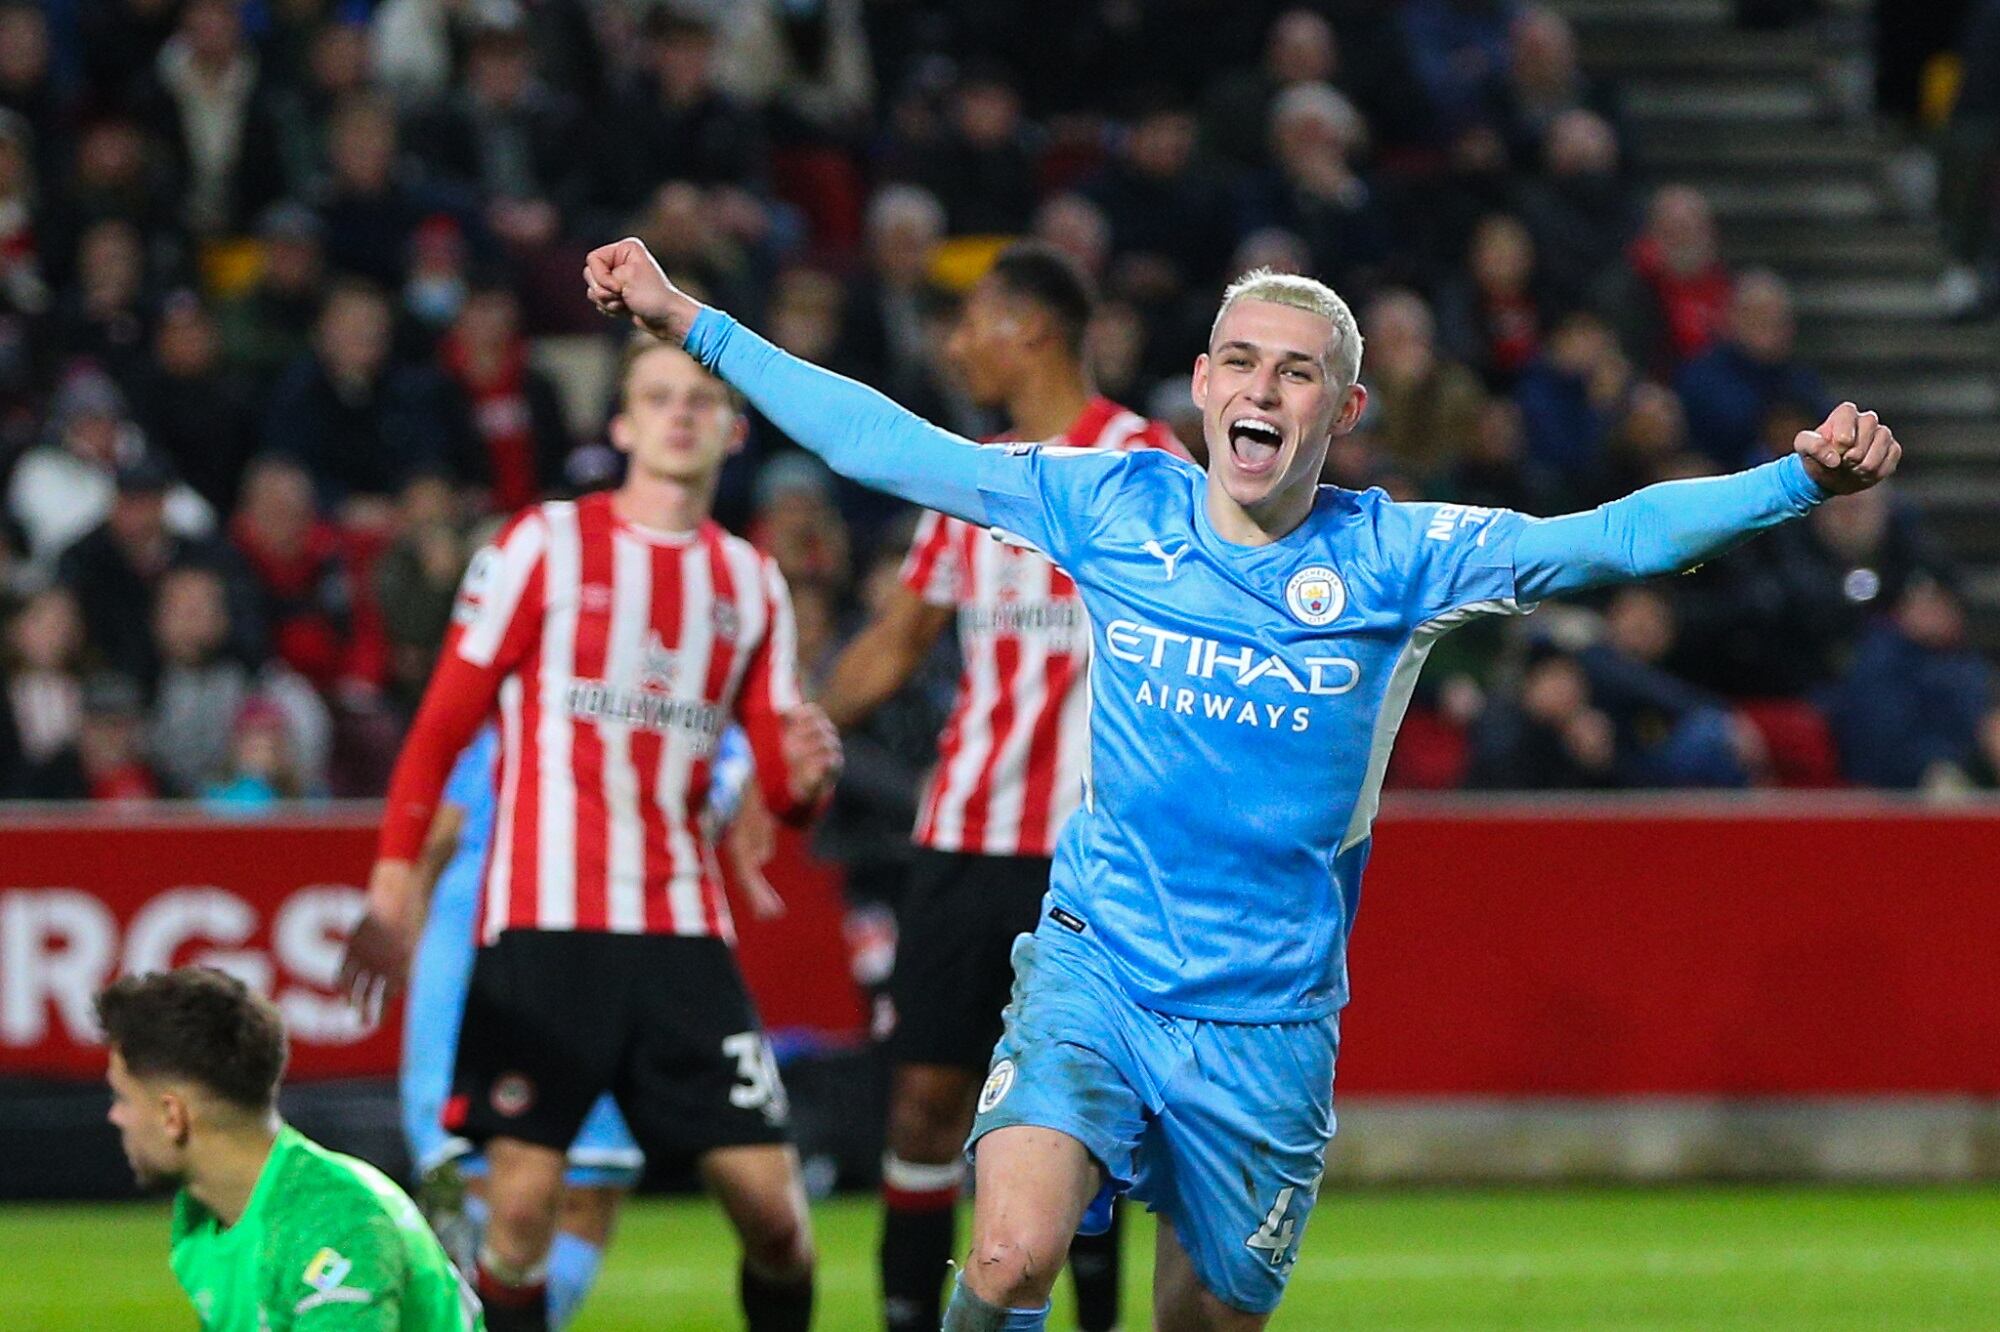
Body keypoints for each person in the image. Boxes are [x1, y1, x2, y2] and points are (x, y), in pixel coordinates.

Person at [583, 236, 1904, 1331]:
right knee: (1007, 1259)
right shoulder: (1116, 506)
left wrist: (1795, 481)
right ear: (1205, 385)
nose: (1263, 386)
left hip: (1268, 1025)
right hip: (1098, 971)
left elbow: (1615, 538)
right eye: (1241, 360)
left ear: (1342, 409)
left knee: (1200, 1323)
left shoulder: (1402, 557)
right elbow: (890, 445)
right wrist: (688, 319)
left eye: (1298, 371)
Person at [340, 332, 843, 1332]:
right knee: (515, 1218)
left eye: (701, 398)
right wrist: (393, 890)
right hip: (543, 929)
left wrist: (807, 781)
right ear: (622, 424)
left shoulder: (749, 584)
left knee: (776, 1220)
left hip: (681, 940)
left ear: (731, 429)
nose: (681, 413)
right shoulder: (540, 546)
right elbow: (440, 726)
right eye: (659, 396)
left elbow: (780, 791)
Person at [817, 243, 1182, 1332]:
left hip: (1096, 847)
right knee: (925, 1103)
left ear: (1028, 327)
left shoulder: (1147, 464)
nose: (955, 345)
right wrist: (788, 735)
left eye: (971, 321)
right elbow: (896, 637)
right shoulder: (965, 470)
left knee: (1092, 1113)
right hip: (965, 837)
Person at [395, 721, 769, 1330]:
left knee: (587, 1190)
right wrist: (403, 923)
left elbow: (724, 789)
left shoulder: (690, 700)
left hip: (616, 940)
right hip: (486, 940)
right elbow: (442, 825)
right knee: (486, 1185)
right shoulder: (518, 694)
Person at [98, 966, 482, 1330]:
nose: (115, 1116)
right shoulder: (205, 1214)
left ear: (172, 1115)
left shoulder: (336, 1222)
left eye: (123, 1098)